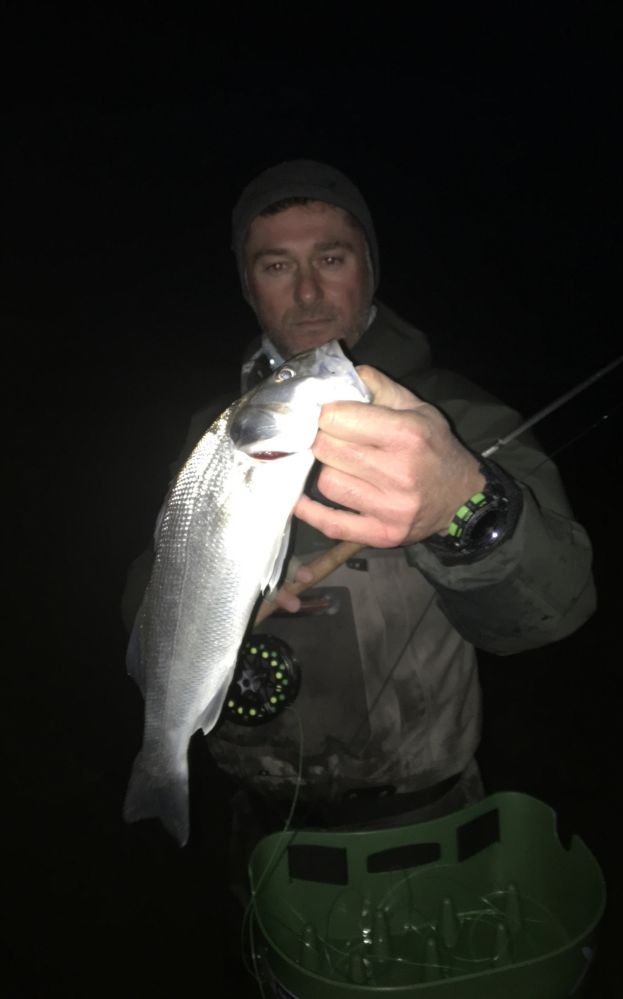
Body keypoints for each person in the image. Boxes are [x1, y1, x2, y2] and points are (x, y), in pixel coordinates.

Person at [123, 159, 596, 857]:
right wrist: (222, 598)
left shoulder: (457, 416)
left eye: (332, 257)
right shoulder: (212, 433)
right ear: (248, 288)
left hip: (427, 827)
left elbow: (558, 603)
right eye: (276, 265)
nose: (309, 290)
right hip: (257, 829)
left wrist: (463, 506)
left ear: (370, 269)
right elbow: (149, 581)